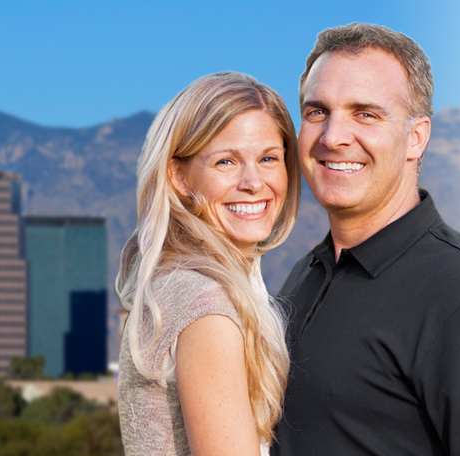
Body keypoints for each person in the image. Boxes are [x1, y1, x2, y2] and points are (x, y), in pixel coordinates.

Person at [272, 23, 460, 455]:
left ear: (416, 138)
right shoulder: (306, 273)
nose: (333, 136)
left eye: (366, 113)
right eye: (317, 111)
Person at [117, 71, 300, 456]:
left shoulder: (180, 283)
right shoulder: (206, 303)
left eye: (268, 158)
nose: (253, 182)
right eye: (226, 162)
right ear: (178, 175)